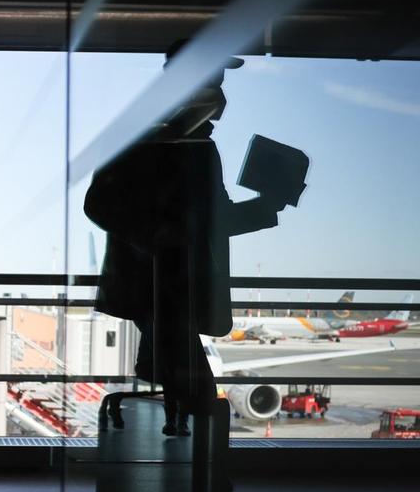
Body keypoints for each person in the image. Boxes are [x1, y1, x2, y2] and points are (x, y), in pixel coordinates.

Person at [86, 39, 285, 436]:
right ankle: (207, 491)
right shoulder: (144, 138)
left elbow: (214, 220)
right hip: (157, 289)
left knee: (196, 392)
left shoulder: (200, 147)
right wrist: (156, 238)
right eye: (214, 79)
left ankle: (200, 487)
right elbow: (99, 203)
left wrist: (267, 207)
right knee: (202, 396)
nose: (221, 92)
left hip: (180, 289)